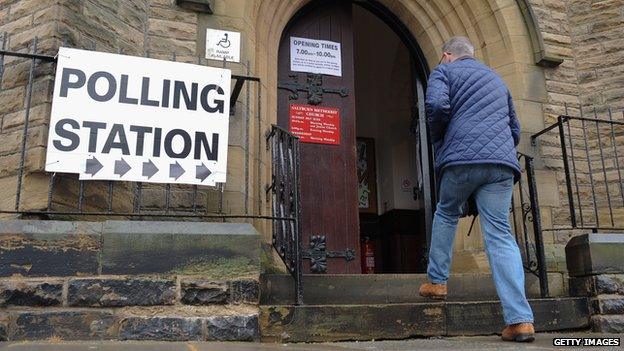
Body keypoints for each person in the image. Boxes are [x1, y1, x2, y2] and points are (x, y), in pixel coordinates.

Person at [418, 36, 535, 343]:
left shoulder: (443, 72)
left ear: (446, 56)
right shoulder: (497, 79)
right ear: (471, 55)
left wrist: (440, 140)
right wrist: (498, 153)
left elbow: (436, 106)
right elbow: (514, 129)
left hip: (461, 161)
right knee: (500, 234)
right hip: (501, 164)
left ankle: (437, 282)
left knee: (446, 213)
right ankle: (520, 320)